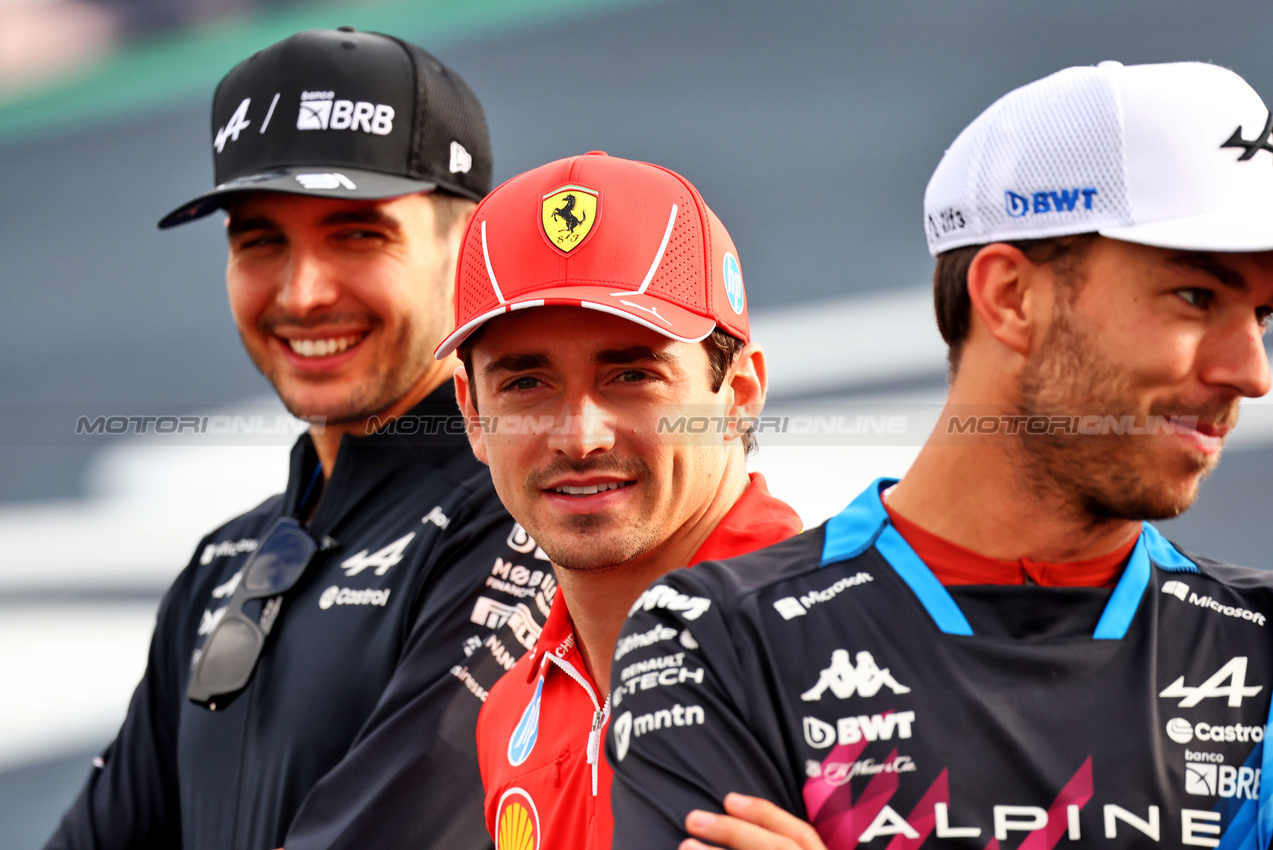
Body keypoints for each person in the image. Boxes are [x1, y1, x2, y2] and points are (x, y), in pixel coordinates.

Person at [608, 61, 1273, 849]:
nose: (1250, 372)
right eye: (1195, 297)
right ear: (1009, 298)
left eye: (1261, 315)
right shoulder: (711, 638)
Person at [47, 28, 548, 850]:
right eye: (260, 241)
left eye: (357, 233)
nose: (303, 293)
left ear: (466, 253)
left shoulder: (523, 517)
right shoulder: (224, 562)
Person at [431, 151, 804, 849]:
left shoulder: (862, 650)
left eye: (632, 374)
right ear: (472, 416)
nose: (579, 437)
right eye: (525, 384)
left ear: (739, 397)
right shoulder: (511, 712)